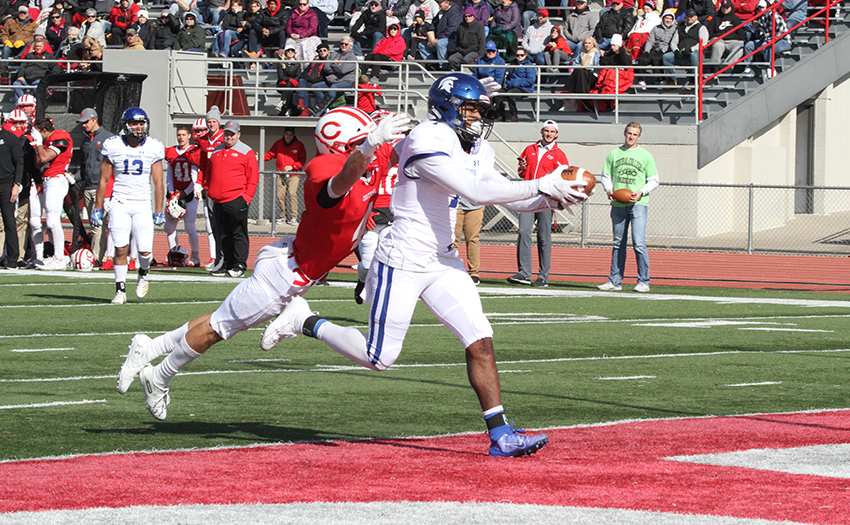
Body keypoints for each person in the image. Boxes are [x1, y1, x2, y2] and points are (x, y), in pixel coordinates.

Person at [262, 73, 588, 457]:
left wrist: (551, 198)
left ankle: (501, 436)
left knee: (479, 340)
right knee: (379, 357)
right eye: (470, 110)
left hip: (443, 259)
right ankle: (305, 320)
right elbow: (474, 191)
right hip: (402, 257)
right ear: (447, 108)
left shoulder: (475, 145)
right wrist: (541, 184)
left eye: (480, 111)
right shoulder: (426, 138)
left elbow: (499, 194)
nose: (476, 118)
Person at [116, 108, 410, 420]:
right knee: (218, 328)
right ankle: (159, 376)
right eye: (363, 141)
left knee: (220, 319)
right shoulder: (325, 169)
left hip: (292, 266)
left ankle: (147, 349)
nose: (374, 148)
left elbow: (397, 151)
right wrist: (370, 144)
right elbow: (341, 180)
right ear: (343, 145)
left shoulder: (366, 161)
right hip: (286, 275)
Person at [91, 107, 165, 305]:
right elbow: (103, 180)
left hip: (142, 203)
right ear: (126, 125)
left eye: (141, 123)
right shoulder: (113, 145)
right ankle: (120, 290)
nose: (139, 127)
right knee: (120, 248)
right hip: (120, 202)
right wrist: (98, 208)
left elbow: (159, 182)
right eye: (134, 123)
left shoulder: (153, 146)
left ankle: (143, 273)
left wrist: (159, 210)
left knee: (145, 251)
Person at [598, 122, 659, 293]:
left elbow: (654, 180)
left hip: (638, 203)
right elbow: (606, 176)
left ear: (639, 137)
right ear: (624, 133)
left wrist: (641, 192)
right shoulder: (614, 153)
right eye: (629, 133)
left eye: (634, 134)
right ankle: (615, 280)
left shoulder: (645, 155)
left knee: (638, 243)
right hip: (618, 203)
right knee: (618, 243)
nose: (631, 136)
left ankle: (643, 281)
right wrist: (608, 189)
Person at [506, 120, 568, 287]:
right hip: (528, 196)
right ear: (542, 132)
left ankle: (543, 276)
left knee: (543, 237)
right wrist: (523, 167)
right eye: (546, 131)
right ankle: (524, 273)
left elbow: (564, 179)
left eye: (552, 131)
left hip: (546, 199)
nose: (549, 134)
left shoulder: (559, 155)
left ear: (557, 134)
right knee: (524, 231)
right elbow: (522, 172)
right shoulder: (530, 149)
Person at [204, 120, 258, 278]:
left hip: (236, 199)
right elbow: (209, 171)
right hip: (217, 200)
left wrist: (246, 197)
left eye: (232, 134)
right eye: (227, 133)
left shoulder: (246, 152)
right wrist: (208, 189)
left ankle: (239, 264)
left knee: (238, 233)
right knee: (222, 234)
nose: (229, 137)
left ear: (238, 134)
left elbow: (253, 177)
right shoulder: (216, 150)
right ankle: (226, 263)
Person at [33, 117, 73, 271]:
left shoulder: (60, 136)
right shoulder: (47, 141)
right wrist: (40, 144)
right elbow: (38, 163)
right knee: (50, 221)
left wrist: (38, 143)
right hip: (49, 179)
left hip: (56, 179)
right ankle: (56, 256)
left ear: (43, 130)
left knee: (52, 220)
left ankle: (59, 258)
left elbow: (43, 157)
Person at [79, 108, 114, 266]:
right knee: (94, 224)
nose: (84, 125)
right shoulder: (86, 140)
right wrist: (75, 177)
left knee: (99, 224)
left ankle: (98, 257)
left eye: (86, 121)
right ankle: (101, 255)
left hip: (102, 188)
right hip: (88, 187)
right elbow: (84, 164)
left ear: (94, 119)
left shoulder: (108, 138)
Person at [164, 125, 202, 267]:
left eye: (183, 135)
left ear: (189, 136)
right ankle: (173, 255)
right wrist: (172, 191)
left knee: (190, 227)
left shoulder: (193, 151)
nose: (181, 137)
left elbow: (195, 175)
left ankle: (196, 257)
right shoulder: (171, 151)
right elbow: (169, 174)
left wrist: (185, 192)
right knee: (169, 227)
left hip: (189, 193)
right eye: (179, 135)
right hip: (175, 193)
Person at [196, 107, 225, 271]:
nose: (211, 124)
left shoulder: (224, 137)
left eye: (214, 121)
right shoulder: (204, 140)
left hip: (222, 186)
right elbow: (203, 165)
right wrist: (199, 183)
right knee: (210, 223)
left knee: (222, 224)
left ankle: (224, 258)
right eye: (209, 122)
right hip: (208, 185)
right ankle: (215, 257)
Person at [264, 126, 306, 225]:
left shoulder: (299, 145)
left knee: (292, 194)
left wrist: (293, 166)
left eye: (291, 135)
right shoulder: (278, 144)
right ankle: (283, 216)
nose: (289, 136)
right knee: (280, 195)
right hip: (280, 174)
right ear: (284, 134)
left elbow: (302, 160)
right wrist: (258, 157)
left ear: (294, 135)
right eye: (287, 134)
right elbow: (270, 154)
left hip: (294, 174)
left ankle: (294, 217)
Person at [742, 0, 790, 79]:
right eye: (759, 8)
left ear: (767, 7)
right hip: (767, 40)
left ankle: (771, 68)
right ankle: (749, 68)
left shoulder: (774, 15)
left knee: (767, 45)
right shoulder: (761, 18)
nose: (761, 9)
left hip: (783, 41)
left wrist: (768, 38)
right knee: (749, 45)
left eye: (763, 7)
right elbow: (763, 33)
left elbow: (781, 33)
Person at [310, 36, 357, 116]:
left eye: (346, 44)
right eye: (342, 43)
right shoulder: (334, 54)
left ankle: (319, 109)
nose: (343, 46)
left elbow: (343, 70)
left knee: (334, 87)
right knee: (315, 87)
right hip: (332, 80)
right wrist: (337, 66)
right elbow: (326, 67)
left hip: (346, 82)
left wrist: (334, 65)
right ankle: (325, 109)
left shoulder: (352, 58)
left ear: (350, 46)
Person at [0, 116, 24, 270]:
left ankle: (12, 259)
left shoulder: (10, 138)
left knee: (9, 221)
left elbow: (19, 162)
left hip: (6, 184)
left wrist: (17, 184)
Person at [662, 8, 707, 86]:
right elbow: (673, 42)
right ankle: (672, 81)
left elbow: (703, 43)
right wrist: (676, 50)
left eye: (691, 16)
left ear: (696, 17)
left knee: (694, 55)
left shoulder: (701, 27)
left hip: (695, 54)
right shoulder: (680, 28)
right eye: (688, 16)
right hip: (682, 54)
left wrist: (691, 49)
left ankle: (694, 81)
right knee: (666, 57)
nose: (689, 18)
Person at [13, 32, 57, 104]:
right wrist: (20, 75)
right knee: (16, 85)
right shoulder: (29, 55)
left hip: (38, 80)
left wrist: (49, 78)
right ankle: (22, 104)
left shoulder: (49, 57)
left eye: (40, 46)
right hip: (26, 80)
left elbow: (55, 68)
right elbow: (22, 67)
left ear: (44, 46)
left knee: (37, 88)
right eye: (36, 46)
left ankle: (39, 106)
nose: (38, 48)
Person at [493, 47, 534, 122]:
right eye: (517, 55)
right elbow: (509, 77)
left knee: (511, 94)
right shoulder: (513, 63)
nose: (519, 57)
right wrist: (509, 83)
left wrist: (516, 83)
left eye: (522, 55)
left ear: (525, 55)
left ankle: (514, 115)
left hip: (524, 88)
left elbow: (530, 80)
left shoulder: (529, 65)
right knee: (498, 94)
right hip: (511, 86)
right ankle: (500, 115)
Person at [637, 8, 676, 86]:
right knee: (642, 59)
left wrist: (663, 50)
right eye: (666, 18)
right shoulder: (656, 28)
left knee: (656, 59)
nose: (668, 20)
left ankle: (661, 79)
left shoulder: (675, 29)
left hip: (667, 50)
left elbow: (673, 42)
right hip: (656, 49)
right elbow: (650, 40)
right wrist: (646, 51)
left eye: (670, 19)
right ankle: (642, 80)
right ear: (663, 18)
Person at [706, 0, 744, 72]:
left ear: (731, 7)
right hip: (718, 39)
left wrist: (734, 38)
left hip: (732, 41)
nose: (725, 9)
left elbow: (741, 34)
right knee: (718, 45)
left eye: (727, 7)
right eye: (723, 7)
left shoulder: (735, 18)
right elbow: (710, 32)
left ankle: (726, 67)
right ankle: (714, 66)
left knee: (740, 46)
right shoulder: (715, 18)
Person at [421, 0, 461, 65]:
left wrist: (438, 38)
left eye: (440, 2)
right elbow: (433, 24)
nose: (439, 4)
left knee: (440, 43)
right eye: (438, 2)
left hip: (452, 40)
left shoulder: (454, 13)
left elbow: (452, 29)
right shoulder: (440, 13)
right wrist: (430, 36)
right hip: (439, 39)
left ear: (447, 3)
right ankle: (432, 65)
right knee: (422, 45)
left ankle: (443, 66)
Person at [296, 42, 329, 115]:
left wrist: (312, 80)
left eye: (324, 50)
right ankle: (301, 103)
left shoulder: (328, 61)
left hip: (319, 81)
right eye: (320, 51)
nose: (322, 52)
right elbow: (306, 71)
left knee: (308, 87)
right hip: (310, 79)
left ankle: (306, 110)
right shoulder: (315, 60)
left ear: (328, 51)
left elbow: (324, 76)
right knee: (302, 81)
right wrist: (307, 78)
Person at [274, 45, 302, 115]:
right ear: (285, 52)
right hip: (282, 84)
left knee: (289, 86)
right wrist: (290, 79)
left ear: (294, 53)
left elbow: (298, 75)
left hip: (292, 84)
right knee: (289, 87)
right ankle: (288, 108)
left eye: (292, 50)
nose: (290, 52)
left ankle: (283, 102)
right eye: (288, 50)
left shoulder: (297, 63)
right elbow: (280, 76)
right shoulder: (281, 63)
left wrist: (291, 80)